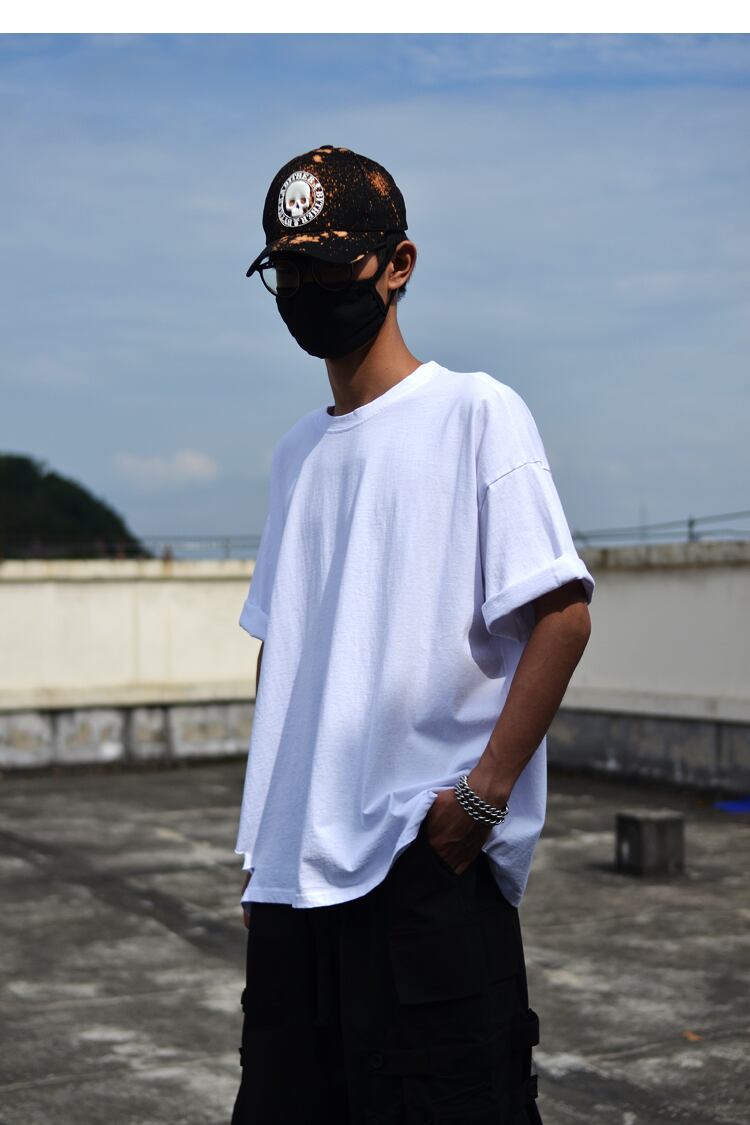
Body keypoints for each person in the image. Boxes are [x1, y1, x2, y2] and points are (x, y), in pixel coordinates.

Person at [230, 143, 594, 1125]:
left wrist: (480, 801)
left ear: (398, 265)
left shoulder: (475, 412)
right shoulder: (297, 453)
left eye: (328, 266)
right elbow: (283, 652)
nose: (307, 292)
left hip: (419, 869)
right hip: (292, 884)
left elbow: (561, 615)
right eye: (288, 271)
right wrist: (263, 833)